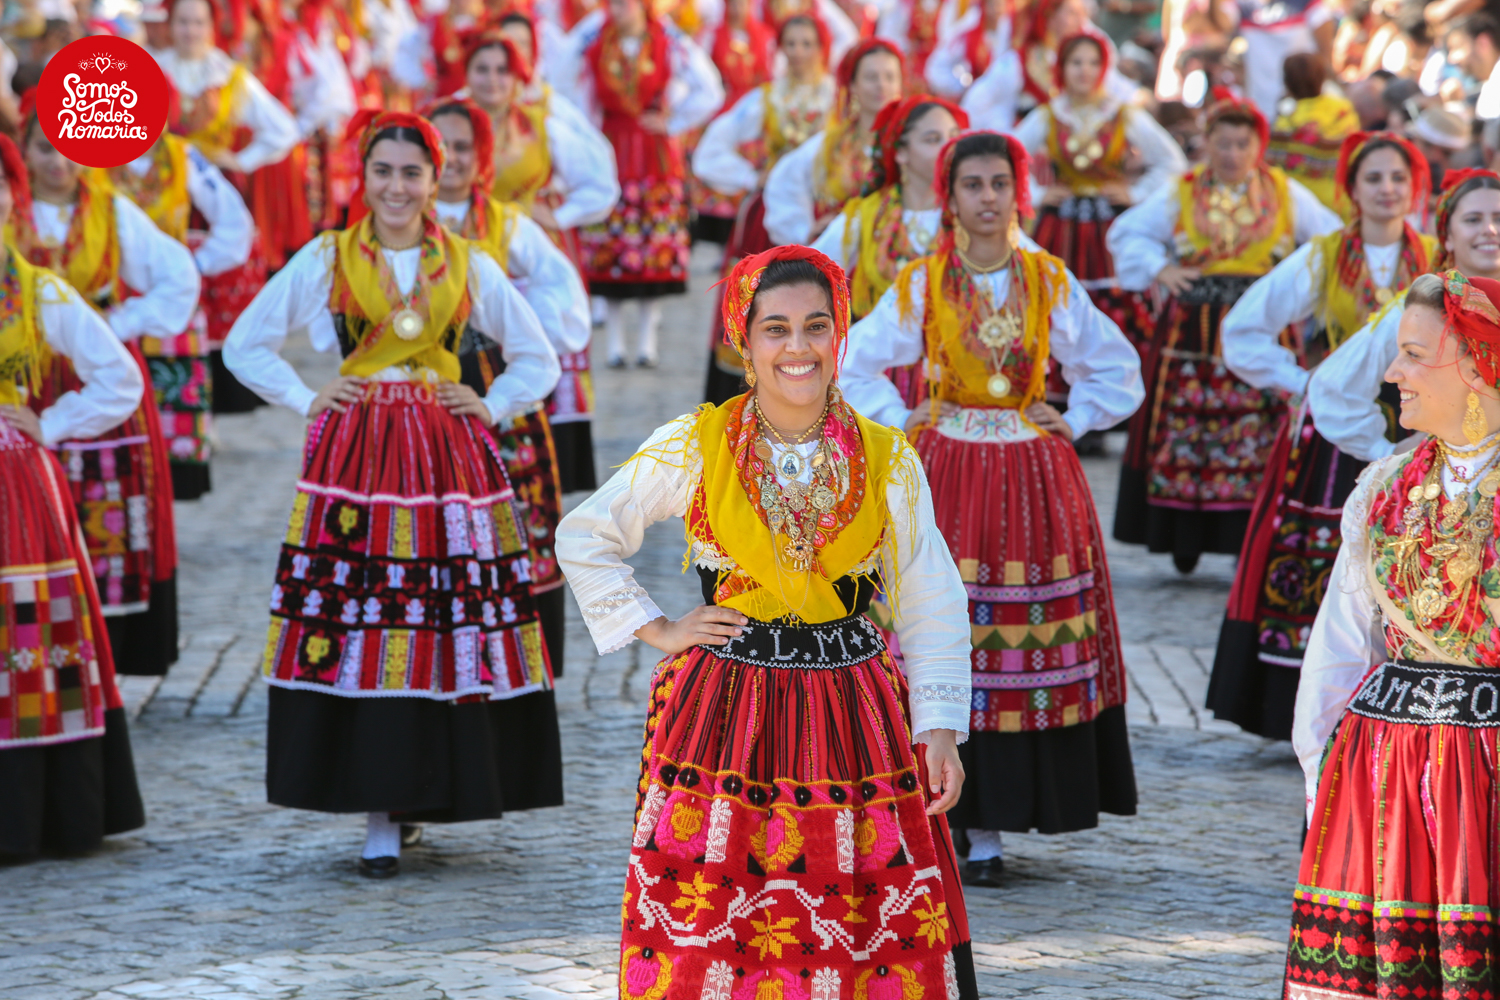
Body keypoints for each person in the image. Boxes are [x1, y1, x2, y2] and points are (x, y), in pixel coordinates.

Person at [555, 244, 979, 1000]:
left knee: (857, 910)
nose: (797, 347)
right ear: (743, 342)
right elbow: (585, 534)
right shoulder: (699, 442)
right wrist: (658, 629)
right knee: (716, 913)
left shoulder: (886, 458)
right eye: (775, 329)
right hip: (725, 709)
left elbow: (929, 594)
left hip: (856, 711)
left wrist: (939, 724)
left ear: (839, 335)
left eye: (816, 327)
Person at [222, 111, 563, 878]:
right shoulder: (328, 257)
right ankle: (380, 817)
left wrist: (493, 402)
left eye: (412, 173)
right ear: (363, 177)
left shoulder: (469, 263)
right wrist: (307, 396)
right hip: (359, 462)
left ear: (436, 178)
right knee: (368, 614)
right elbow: (244, 343)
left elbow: (539, 354)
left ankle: (424, 792)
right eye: (383, 172)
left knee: (441, 616)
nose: (397, 187)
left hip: (446, 461)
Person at [840, 130, 1145, 886]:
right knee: (946, 626)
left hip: (1032, 474)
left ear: (1018, 192)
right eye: (971, 185)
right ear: (949, 198)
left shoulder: (1048, 278)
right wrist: (901, 417)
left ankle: (994, 825)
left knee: (1016, 641)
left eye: (997, 184)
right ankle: (941, 812)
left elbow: (1117, 366)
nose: (985, 198)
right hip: (949, 469)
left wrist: (1075, 418)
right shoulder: (922, 281)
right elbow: (857, 360)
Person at [1284, 269, 1500, 998]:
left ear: (1479, 366)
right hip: (1383, 782)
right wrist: (1323, 785)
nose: (1392, 371)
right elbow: (1340, 650)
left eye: (1414, 353)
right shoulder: (1382, 490)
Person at [1207, 132, 1437, 740]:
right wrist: (1304, 379)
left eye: (1398, 178)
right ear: (1352, 189)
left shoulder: (1437, 258)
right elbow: (1244, 328)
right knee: (1321, 558)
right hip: (1336, 436)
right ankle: (1304, 702)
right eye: (1375, 179)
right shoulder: (1326, 255)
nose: (1387, 190)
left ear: (1414, 189)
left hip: (1424, 431)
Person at [1107, 89, 1342, 575]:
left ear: (1258, 147)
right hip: (1193, 328)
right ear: (1206, 144)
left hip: (1263, 326)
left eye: (1242, 143)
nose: (1233, 154)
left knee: (1261, 427)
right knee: (1187, 431)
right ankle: (1181, 535)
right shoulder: (1183, 189)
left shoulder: (1283, 190)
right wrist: (1160, 269)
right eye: (1223, 143)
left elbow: (1331, 241)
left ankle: (1245, 535)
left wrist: (1295, 286)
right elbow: (1128, 232)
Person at [11, 106, 201, 678]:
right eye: (43, 147)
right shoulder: (9, 215)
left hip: (98, 380)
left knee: (109, 511)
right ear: (23, 151)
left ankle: (113, 644)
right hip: (26, 378)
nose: (57, 161)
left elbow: (179, 279)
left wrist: (116, 324)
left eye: (67, 146)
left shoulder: (114, 213)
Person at [0, 135, 147, 857]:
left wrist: (51, 422)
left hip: (17, 488)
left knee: (27, 634)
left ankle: (34, 812)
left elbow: (119, 378)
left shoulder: (37, 291)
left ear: (12, 198)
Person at [426, 96, 592, 677]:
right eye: (440, 148)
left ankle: (515, 656)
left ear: (483, 156)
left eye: (464, 148)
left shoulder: (504, 224)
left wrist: (504, 317)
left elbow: (567, 302)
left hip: (492, 387)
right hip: (416, 393)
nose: (451, 161)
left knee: (513, 519)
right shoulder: (388, 230)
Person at [463, 24, 619, 494]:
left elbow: (600, 181)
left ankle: (538, 472)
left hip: (531, 257)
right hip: (464, 255)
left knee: (536, 357)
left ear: (518, 77)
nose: (492, 81)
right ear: (467, 74)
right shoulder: (450, 123)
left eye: (503, 71)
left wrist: (559, 214)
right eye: (481, 70)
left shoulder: (542, 124)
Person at [559, 0, 724, 368]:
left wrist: (674, 121)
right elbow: (561, 73)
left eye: (628, 3)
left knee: (652, 246)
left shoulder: (668, 38)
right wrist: (584, 127)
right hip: (611, 149)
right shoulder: (596, 39)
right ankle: (616, 340)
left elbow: (708, 88)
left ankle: (648, 338)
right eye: (614, 3)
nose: (620, 10)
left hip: (654, 154)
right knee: (611, 245)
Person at [158, 0, 300, 414]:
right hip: (162, 195)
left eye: (197, 22)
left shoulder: (230, 76)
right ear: (171, 25)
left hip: (213, 199)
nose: (190, 30)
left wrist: (242, 160)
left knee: (214, 293)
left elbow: (282, 128)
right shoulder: (152, 68)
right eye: (182, 21)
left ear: (210, 26)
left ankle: (212, 402)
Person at [1309, 170, 1500, 472]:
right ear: (1447, 237)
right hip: (1450, 477)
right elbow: (1334, 386)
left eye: (1498, 218)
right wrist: (1389, 454)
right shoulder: (1422, 308)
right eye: (1473, 219)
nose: (1490, 229)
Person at [104, 122, 254, 500]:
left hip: (170, 300)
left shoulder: (182, 157)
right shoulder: (88, 160)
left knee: (169, 436)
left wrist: (195, 264)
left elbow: (234, 220)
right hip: (107, 299)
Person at [1012, 30, 1185, 353]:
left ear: (1104, 68)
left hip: (1110, 228)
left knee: (1112, 307)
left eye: (1093, 62)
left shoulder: (1122, 113)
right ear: (1062, 68)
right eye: (1076, 62)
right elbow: (1009, 157)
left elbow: (1172, 162)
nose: (1084, 70)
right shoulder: (1049, 115)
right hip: (1060, 228)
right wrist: (1036, 194)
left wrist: (1136, 193)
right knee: (1056, 300)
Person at [694, 13, 837, 403]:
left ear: (823, 49)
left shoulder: (837, 99)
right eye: (790, 44)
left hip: (824, 213)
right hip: (768, 215)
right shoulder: (767, 98)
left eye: (807, 44)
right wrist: (749, 176)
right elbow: (712, 148)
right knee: (758, 297)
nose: (798, 53)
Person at [762, 38, 905, 246]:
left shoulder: (911, 141)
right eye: (871, 77)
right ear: (853, 85)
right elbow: (784, 181)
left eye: (890, 77)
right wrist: (804, 231)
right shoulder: (832, 144)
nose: (881, 85)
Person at [1266, 53, 1360, 214]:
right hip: (1339, 204)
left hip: (1295, 207)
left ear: (1287, 82)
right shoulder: (1343, 111)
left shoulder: (1284, 123)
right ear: (1322, 78)